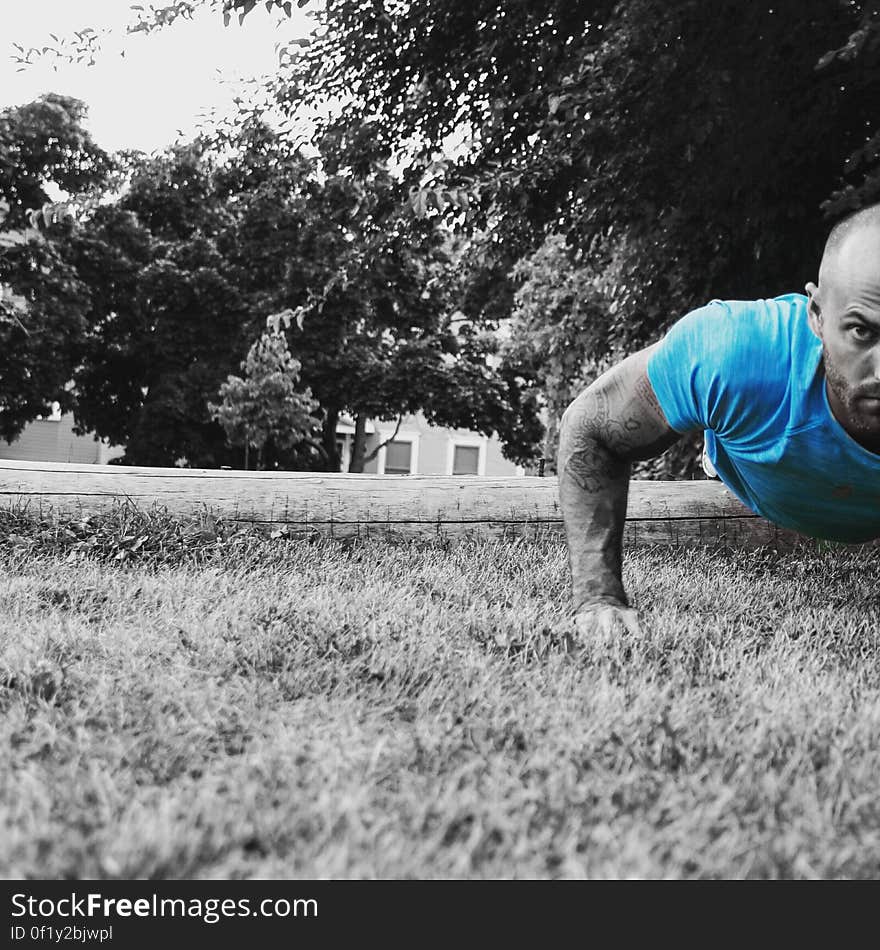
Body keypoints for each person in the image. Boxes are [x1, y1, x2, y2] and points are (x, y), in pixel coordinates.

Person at [557, 203, 880, 642]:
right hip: (754, 467)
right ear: (817, 316)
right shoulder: (732, 355)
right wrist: (598, 597)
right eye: (862, 332)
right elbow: (590, 427)